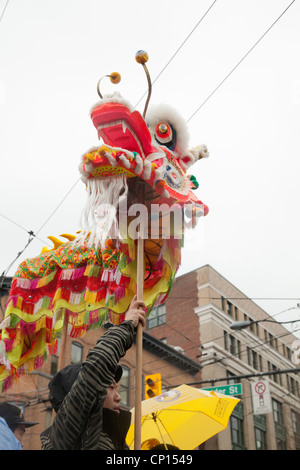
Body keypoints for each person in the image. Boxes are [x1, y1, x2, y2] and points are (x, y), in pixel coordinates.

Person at [41, 295, 146, 450]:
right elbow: (98, 363)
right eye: (110, 387)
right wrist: (127, 325)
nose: (118, 398)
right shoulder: (69, 436)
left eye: (116, 388)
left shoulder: (112, 438)